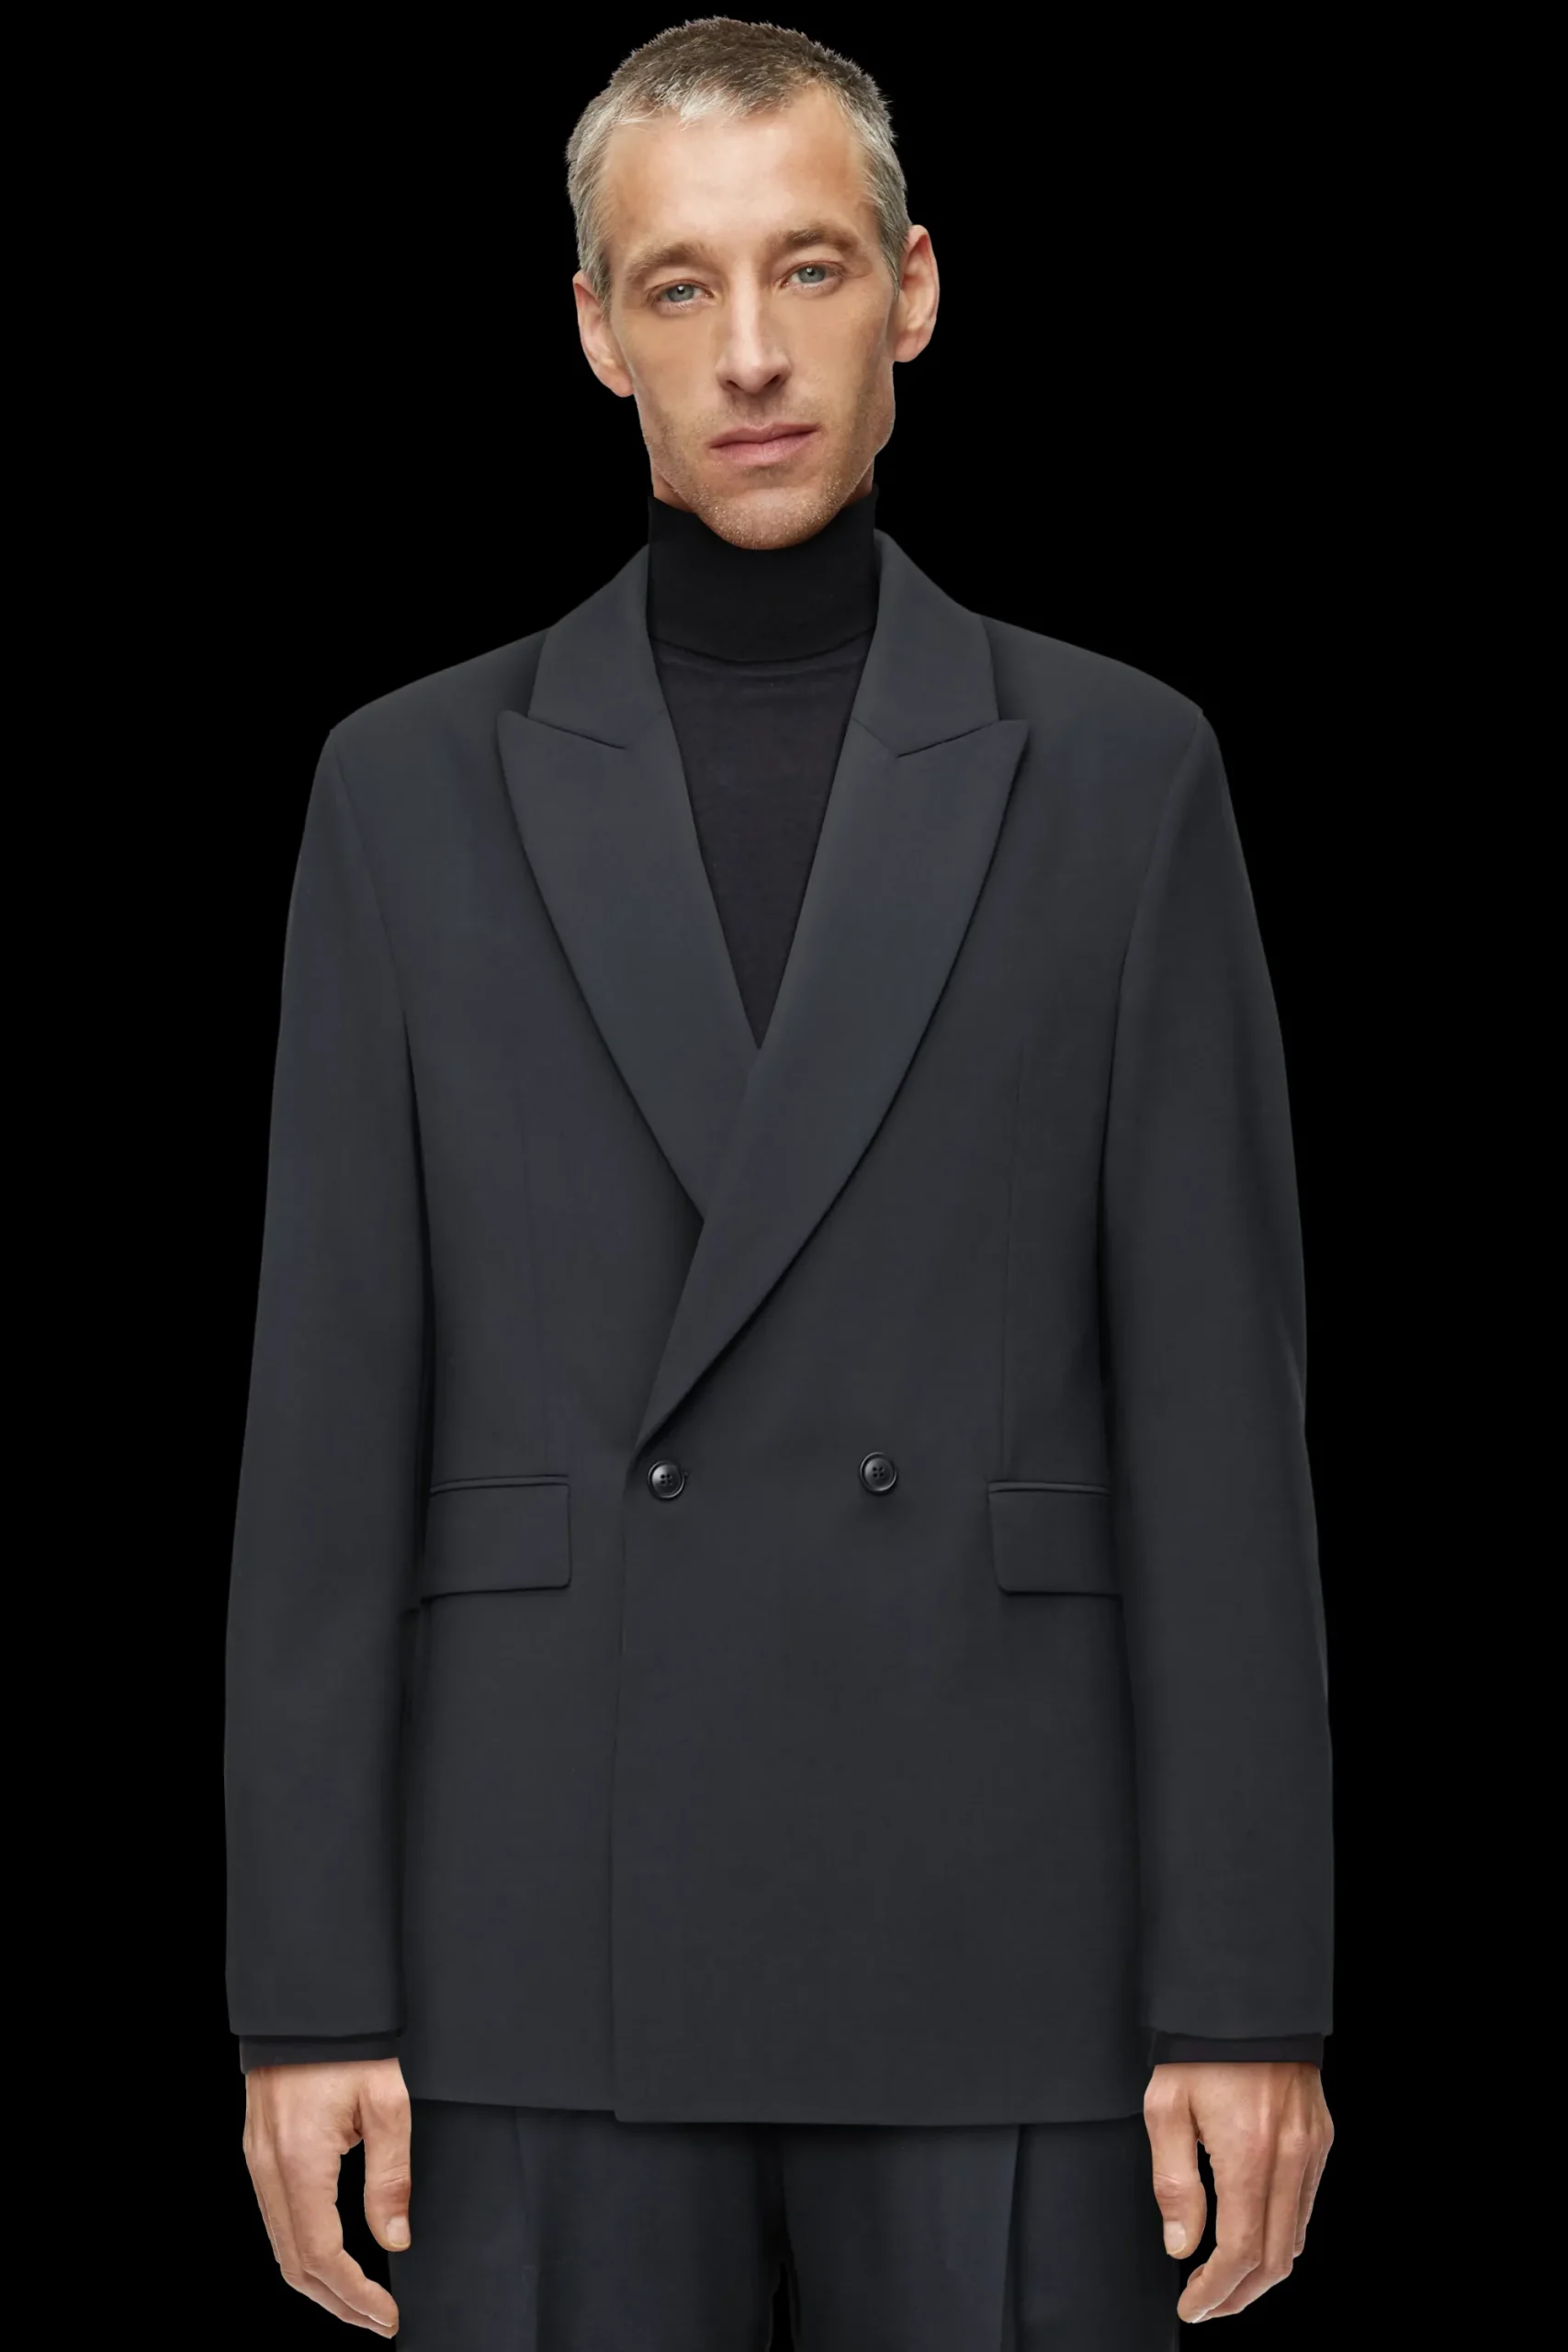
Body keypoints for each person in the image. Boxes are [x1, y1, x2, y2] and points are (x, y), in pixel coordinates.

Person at [226, 18, 1335, 2346]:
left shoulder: (1120, 773)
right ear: (592, 328)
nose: (750, 350)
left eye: (808, 267)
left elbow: (1221, 1433)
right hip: (538, 1921)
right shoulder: (405, 790)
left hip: (1006, 1916)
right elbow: (324, 1431)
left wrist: (1248, 1986)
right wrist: (302, 1989)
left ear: (912, 291)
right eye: (679, 283)